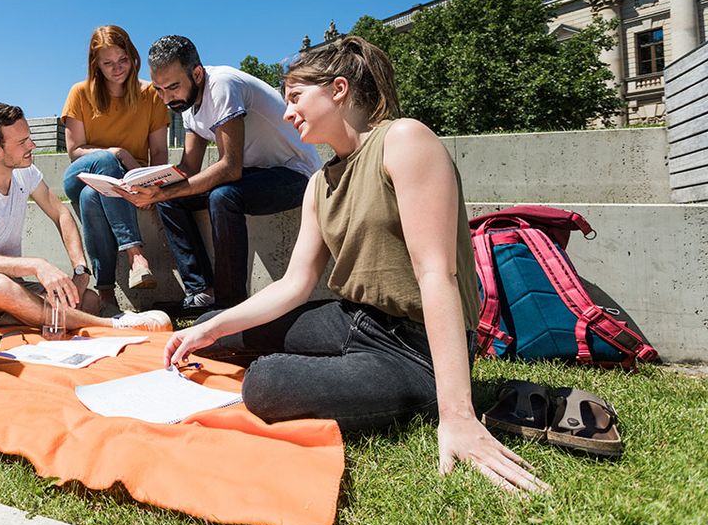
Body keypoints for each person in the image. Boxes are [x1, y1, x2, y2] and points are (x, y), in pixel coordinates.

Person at [165, 36, 547, 493]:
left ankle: (425, 396)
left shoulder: (404, 140)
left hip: (413, 345)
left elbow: (436, 273)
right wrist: (210, 330)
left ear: (339, 89)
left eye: (295, 97)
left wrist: (459, 417)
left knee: (266, 383)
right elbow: (294, 285)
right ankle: (299, 355)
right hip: (354, 320)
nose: (287, 114)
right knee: (212, 326)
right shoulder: (318, 183)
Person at [127, 35, 322, 312]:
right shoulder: (185, 103)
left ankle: (231, 304)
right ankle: (201, 292)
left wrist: (167, 189)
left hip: (296, 174)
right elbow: (188, 169)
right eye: (159, 89)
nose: (167, 98)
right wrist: (148, 188)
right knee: (169, 200)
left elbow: (230, 167)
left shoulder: (222, 85)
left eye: (172, 87)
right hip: (254, 174)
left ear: (196, 73)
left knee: (223, 196)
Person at [0, 102, 171, 332]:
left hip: (14, 287)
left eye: (29, 137)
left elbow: (61, 213)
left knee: (88, 300)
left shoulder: (25, 171)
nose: (32, 145)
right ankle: (113, 325)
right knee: (0, 285)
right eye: (22, 142)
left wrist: (80, 269)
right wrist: (35, 266)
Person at [61, 25, 170, 307]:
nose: (117, 68)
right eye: (108, 63)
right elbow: (75, 151)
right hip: (82, 174)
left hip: (126, 182)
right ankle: (136, 256)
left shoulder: (151, 94)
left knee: (92, 198)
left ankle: (106, 294)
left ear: (132, 56)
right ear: (95, 64)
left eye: (123, 60)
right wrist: (118, 153)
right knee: (99, 172)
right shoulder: (80, 92)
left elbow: (159, 151)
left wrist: (152, 185)